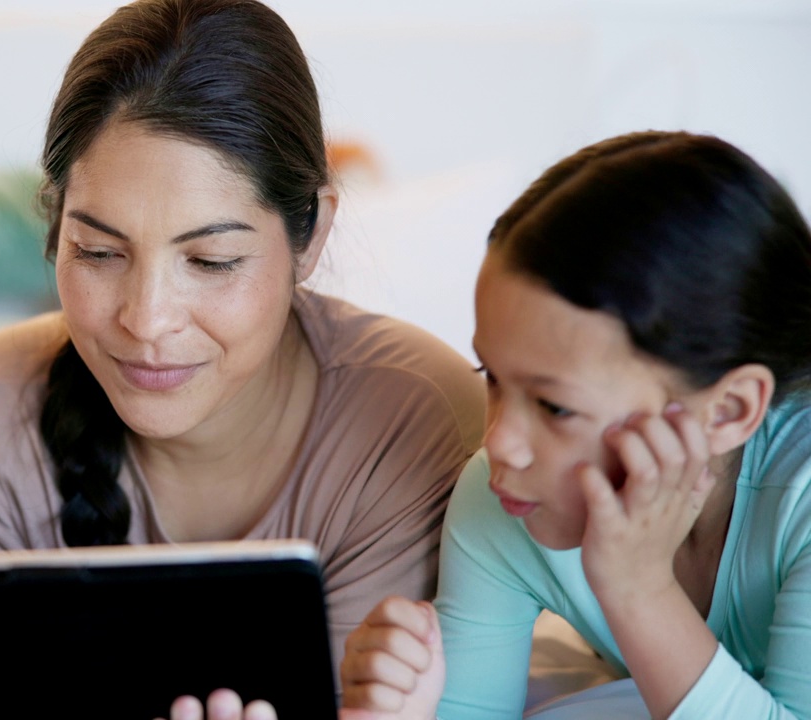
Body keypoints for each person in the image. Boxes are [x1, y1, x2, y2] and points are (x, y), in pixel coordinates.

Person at [0, 0, 485, 686]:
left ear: (313, 234)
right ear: (54, 224)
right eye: (98, 252)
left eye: (212, 261)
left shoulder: (412, 420)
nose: (148, 320)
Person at [341, 131, 811, 719]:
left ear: (727, 411)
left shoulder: (802, 496)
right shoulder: (505, 499)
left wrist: (639, 590)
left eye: (555, 407)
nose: (499, 443)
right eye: (491, 377)